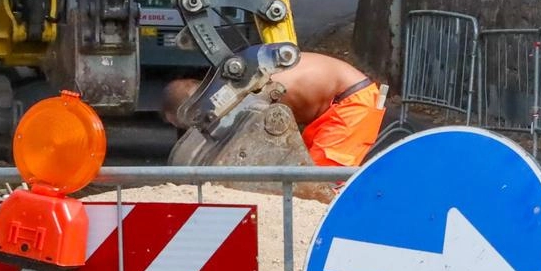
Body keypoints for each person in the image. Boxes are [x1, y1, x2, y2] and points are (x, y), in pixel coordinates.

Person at [161, 52, 385, 167]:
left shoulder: (246, 94)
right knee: (304, 175)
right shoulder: (233, 82)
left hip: (350, 104)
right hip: (333, 104)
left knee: (320, 184)